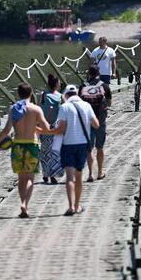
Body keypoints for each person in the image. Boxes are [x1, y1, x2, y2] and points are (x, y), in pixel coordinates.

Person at [0, 83, 49, 218]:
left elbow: (7, 130)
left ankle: (22, 202)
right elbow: (46, 128)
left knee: (21, 177)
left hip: (17, 145)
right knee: (30, 177)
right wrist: (37, 128)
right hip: (32, 145)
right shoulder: (36, 109)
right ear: (31, 94)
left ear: (18, 94)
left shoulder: (13, 109)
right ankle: (25, 204)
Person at [44, 84, 99, 215]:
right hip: (82, 145)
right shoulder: (87, 106)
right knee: (79, 177)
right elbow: (96, 124)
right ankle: (78, 205)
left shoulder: (64, 107)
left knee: (69, 177)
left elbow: (61, 129)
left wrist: (47, 131)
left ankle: (71, 207)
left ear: (65, 95)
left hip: (68, 145)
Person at [79, 65, 111, 181]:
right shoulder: (104, 86)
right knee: (100, 147)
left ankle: (90, 174)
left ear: (89, 74)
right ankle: (100, 173)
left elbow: (79, 102)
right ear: (99, 73)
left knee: (89, 148)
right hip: (100, 120)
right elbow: (109, 103)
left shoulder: (83, 86)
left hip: (87, 121)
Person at [39, 74, 64, 184]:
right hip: (55, 126)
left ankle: (46, 174)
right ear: (56, 84)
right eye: (59, 82)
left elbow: (39, 108)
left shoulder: (43, 94)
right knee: (55, 150)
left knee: (45, 151)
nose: (60, 84)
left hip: (44, 126)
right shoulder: (60, 96)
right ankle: (52, 174)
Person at [89, 37, 117, 108]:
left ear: (105, 42)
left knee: (106, 89)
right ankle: (99, 104)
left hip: (107, 73)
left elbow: (113, 62)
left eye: (101, 42)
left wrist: (113, 72)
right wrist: (90, 71)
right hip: (97, 74)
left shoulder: (110, 50)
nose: (99, 43)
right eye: (99, 41)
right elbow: (91, 61)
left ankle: (107, 105)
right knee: (98, 89)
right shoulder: (95, 50)